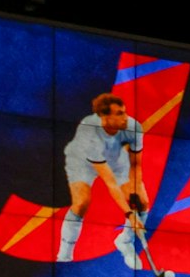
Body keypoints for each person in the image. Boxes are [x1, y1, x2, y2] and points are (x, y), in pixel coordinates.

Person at [59, 92, 147, 265]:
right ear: (104, 117)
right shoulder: (89, 131)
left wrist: (134, 192)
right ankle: (64, 256)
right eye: (119, 114)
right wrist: (129, 214)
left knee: (142, 201)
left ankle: (125, 241)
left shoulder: (133, 127)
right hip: (82, 162)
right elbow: (110, 183)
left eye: (125, 112)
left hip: (115, 159)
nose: (125, 118)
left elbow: (136, 165)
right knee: (81, 202)